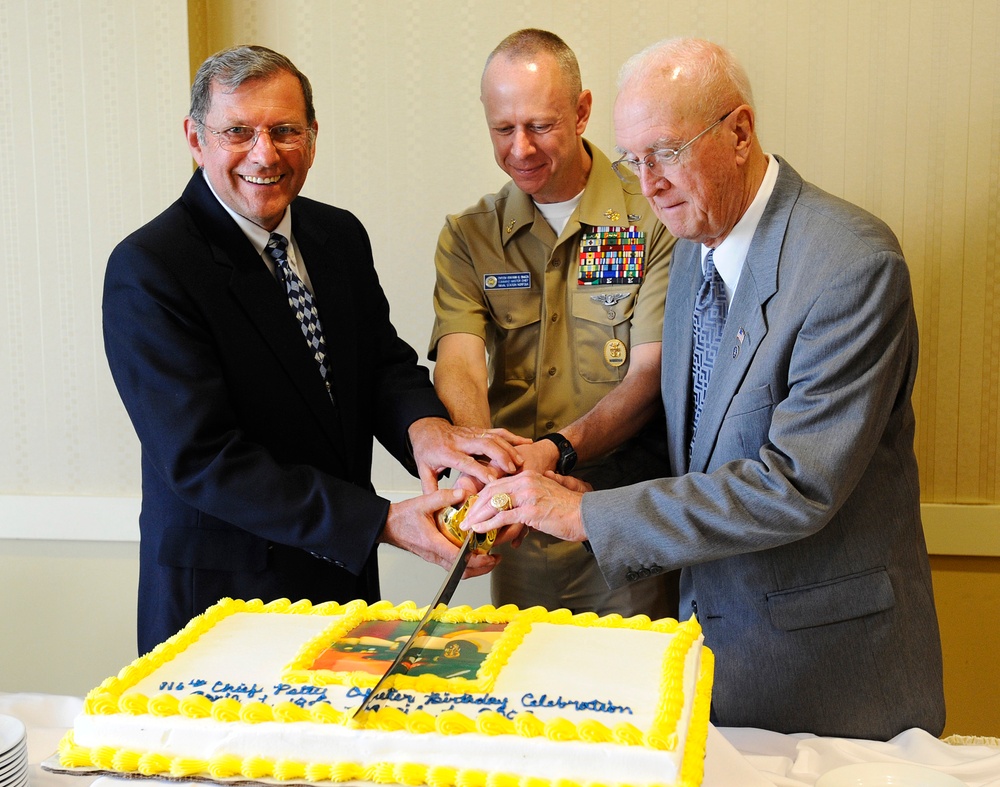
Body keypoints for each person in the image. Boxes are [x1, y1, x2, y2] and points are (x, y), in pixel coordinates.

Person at [462, 37, 946, 740]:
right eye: (633, 159)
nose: (649, 182)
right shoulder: (694, 245)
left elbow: (795, 485)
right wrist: (563, 477)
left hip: (831, 678)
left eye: (665, 152)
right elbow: (693, 444)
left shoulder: (850, 264)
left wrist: (587, 516)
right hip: (711, 657)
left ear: (740, 132)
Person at [103, 45, 522, 655]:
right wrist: (381, 522)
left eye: (284, 131)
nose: (264, 154)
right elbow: (203, 459)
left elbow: (380, 365)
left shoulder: (338, 235)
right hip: (224, 604)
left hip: (341, 585)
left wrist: (428, 431)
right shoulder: (150, 267)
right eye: (237, 132)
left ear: (313, 137)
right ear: (196, 139)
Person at [429, 29, 677, 617]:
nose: (521, 148)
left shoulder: (654, 217)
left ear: (582, 111)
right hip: (517, 525)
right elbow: (460, 362)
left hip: (618, 518)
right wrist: (482, 458)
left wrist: (556, 452)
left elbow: (651, 373)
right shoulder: (470, 236)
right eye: (503, 129)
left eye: (540, 126)